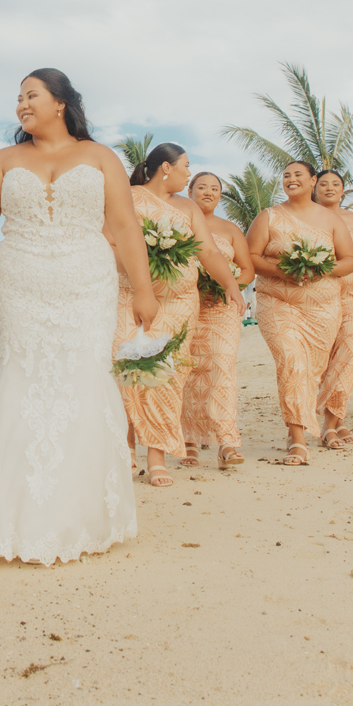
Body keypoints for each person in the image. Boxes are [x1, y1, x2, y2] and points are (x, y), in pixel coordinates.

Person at [0, 68, 153, 563]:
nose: (20, 105)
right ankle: (12, 512)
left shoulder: (100, 157)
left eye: (30, 95)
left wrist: (142, 289)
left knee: (82, 378)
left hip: (87, 281)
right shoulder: (4, 160)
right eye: (18, 98)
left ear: (60, 103)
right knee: (20, 376)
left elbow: (123, 224)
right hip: (20, 282)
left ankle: (79, 513)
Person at [114, 143, 244, 486]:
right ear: (167, 168)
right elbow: (110, 244)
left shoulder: (187, 208)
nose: (190, 173)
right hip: (129, 295)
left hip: (180, 302)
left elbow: (210, 252)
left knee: (167, 376)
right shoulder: (127, 196)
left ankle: (156, 456)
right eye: (186, 166)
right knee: (127, 371)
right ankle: (124, 450)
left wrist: (231, 283)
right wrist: (147, 262)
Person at [246, 162, 353, 466]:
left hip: (323, 308)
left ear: (312, 181)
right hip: (277, 303)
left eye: (298, 175)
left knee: (311, 371)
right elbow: (251, 258)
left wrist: (319, 268)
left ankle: (300, 423)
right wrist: (284, 272)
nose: (291, 179)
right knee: (292, 362)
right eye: (286, 175)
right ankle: (298, 439)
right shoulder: (268, 217)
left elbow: (350, 261)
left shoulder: (331, 219)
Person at [183, 171, 255, 468]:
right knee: (185, 368)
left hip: (222, 308)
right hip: (185, 305)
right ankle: (187, 441)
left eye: (215, 188)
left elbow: (248, 270)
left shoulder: (230, 229)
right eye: (202, 187)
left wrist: (229, 284)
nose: (208, 192)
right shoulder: (178, 221)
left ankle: (227, 441)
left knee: (222, 367)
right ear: (190, 191)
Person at [312, 170, 353, 449]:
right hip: (319, 293)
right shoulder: (306, 217)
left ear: (343, 191)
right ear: (314, 188)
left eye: (336, 184)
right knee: (326, 360)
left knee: (349, 354)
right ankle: (336, 418)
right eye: (324, 184)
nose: (329, 188)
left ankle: (330, 423)